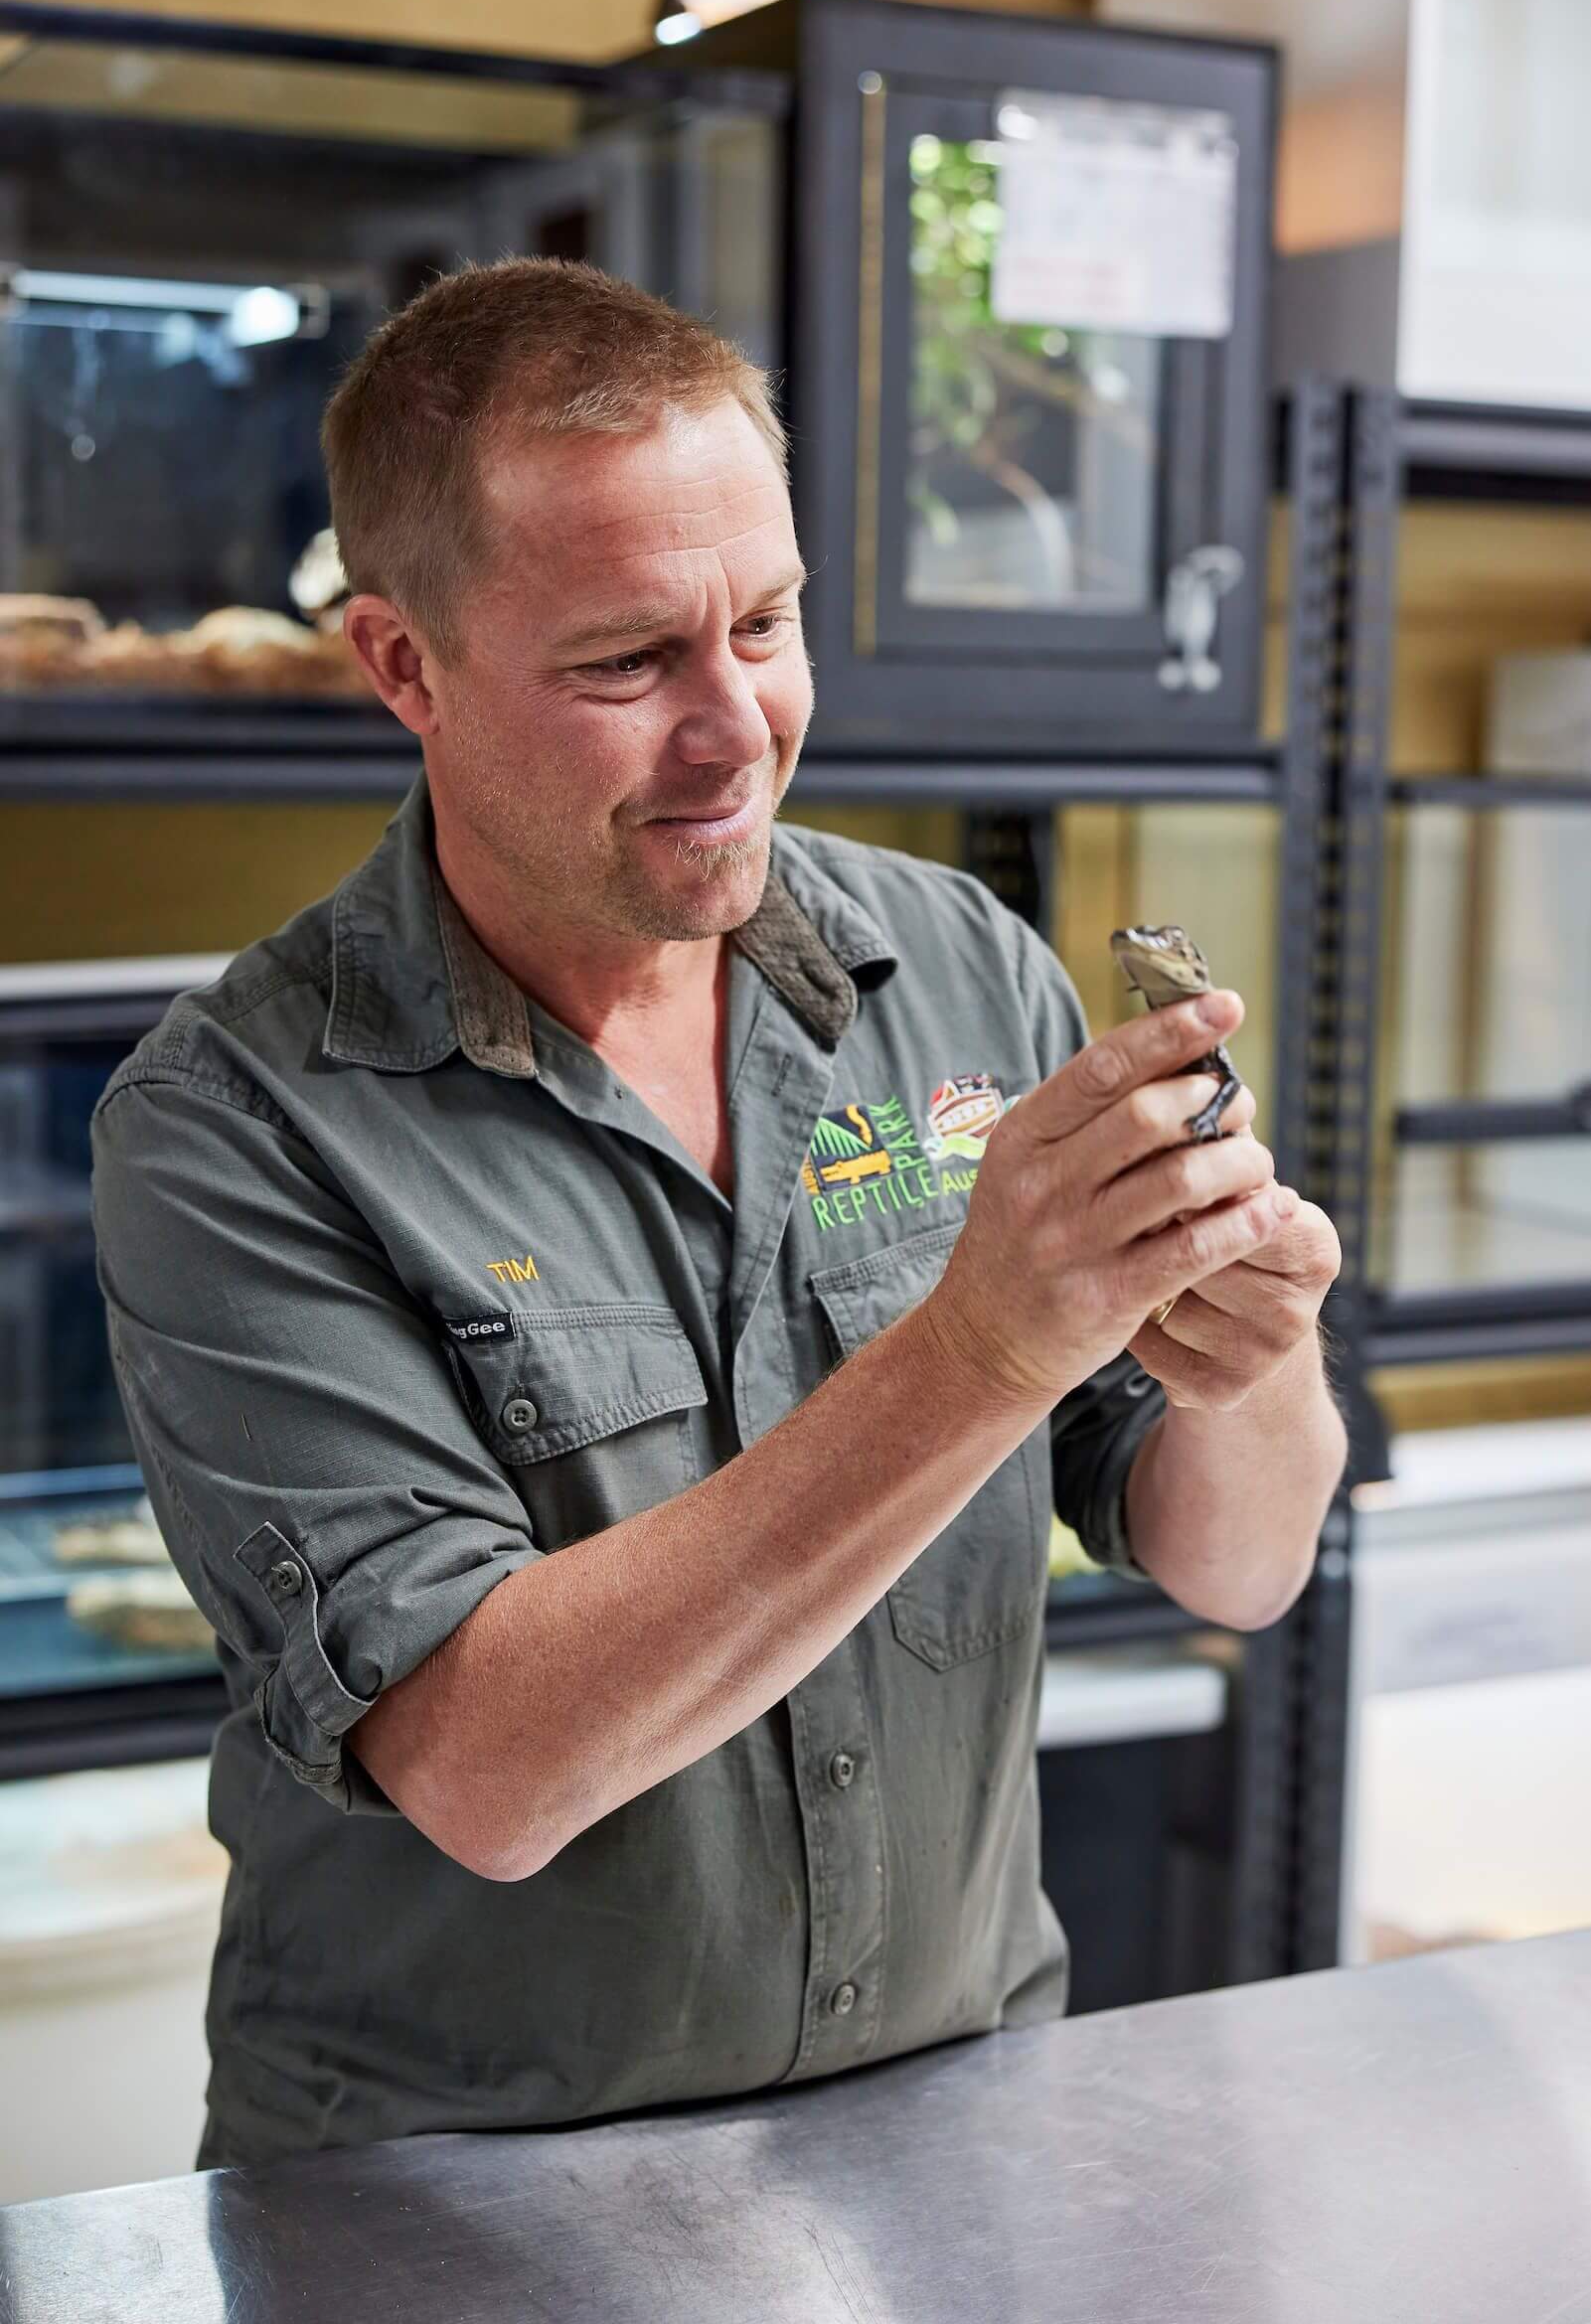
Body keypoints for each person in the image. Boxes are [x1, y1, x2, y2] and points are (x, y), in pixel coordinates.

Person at [90, 257, 1345, 2170]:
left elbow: (1229, 1563)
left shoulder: (952, 967)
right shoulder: (236, 1121)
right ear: (402, 666)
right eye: (625, 662)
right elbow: (489, 1769)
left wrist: (1252, 1364)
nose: (734, 725)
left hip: (948, 2134)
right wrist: (987, 1341)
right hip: (451, 2210)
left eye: (764, 622)